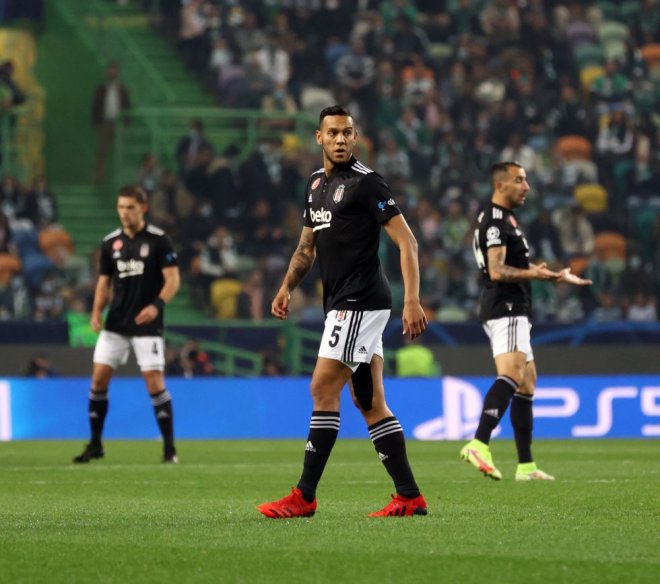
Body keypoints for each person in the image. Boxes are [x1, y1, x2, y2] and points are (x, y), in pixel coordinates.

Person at [257, 105, 429, 519]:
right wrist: (286, 287)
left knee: (322, 388)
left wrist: (412, 299)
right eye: (332, 132)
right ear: (318, 137)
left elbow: (407, 241)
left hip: (360, 300)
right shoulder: (315, 184)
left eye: (346, 132)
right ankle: (409, 496)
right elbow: (306, 248)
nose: (339, 139)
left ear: (355, 137)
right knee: (368, 401)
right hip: (343, 302)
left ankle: (304, 496)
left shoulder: (367, 183)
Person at [462, 161, 591, 481]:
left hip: (515, 305)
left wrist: (552, 275)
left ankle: (526, 466)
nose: (526, 187)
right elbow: (496, 269)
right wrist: (536, 275)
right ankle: (479, 443)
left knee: (527, 382)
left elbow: (516, 264)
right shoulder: (496, 221)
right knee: (512, 373)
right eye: (519, 180)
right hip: (505, 306)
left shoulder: (506, 219)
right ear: (500, 185)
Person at [73, 186, 180, 464]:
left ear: (143, 208)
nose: (124, 212)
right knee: (98, 379)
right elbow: (104, 283)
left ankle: (169, 449)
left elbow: (173, 280)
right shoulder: (110, 243)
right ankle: (95, 444)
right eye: (121, 207)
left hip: (147, 323)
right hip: (116, 322)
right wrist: (96, 312)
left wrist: (156, 306)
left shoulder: (159, 240)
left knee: (154, 382)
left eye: (130, 207)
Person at [91, 62, 131, 184]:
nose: (112, 73)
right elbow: (95, 106)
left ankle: (119, 178)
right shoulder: (101, 89)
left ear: (117, 72)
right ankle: (100, 177)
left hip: (118, 124)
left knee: (119, 152)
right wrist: (97, 123)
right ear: (107, 72)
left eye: (114, 70)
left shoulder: (122, 89)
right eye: (110, 70)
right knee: (102, 152)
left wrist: (126, 123)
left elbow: (127, 106)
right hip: (105, 123)